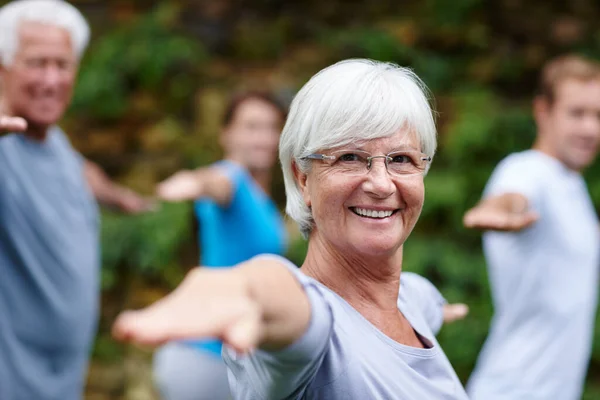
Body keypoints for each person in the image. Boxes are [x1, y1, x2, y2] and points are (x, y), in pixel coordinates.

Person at [113, 59, 470, 399]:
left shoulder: (411, 300)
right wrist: (241, 289)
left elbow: (415, 294)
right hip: (219, 342)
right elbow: (288, 296)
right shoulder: (317, 329)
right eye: (349, 157)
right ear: (303, 179)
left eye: (402, 159)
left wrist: (438, 310)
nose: (381, 183)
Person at [0, 1, 153, 399]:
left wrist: (119, 196)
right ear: (3, 66)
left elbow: (83, 172)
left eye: (62, 65)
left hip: (63, 380)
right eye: (36, 63)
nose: (51, 80)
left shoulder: (57, 143)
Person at [463, 54, 600, 400]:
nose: (590, 128)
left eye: (598, 116)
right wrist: (499, 210)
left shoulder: (573, 186)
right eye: (577, 113)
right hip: (511, 390)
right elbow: (513, 195)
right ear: (543, 111)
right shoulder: (526, 169)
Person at [152, 91, 289, 400]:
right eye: (251, 127)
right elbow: (215, 182)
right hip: (204, 355)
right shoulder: (232, 178)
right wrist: (193, 182)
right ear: (226, 134)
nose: (264, 137)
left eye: (271, 127)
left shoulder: (260, 198)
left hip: (234, 357)